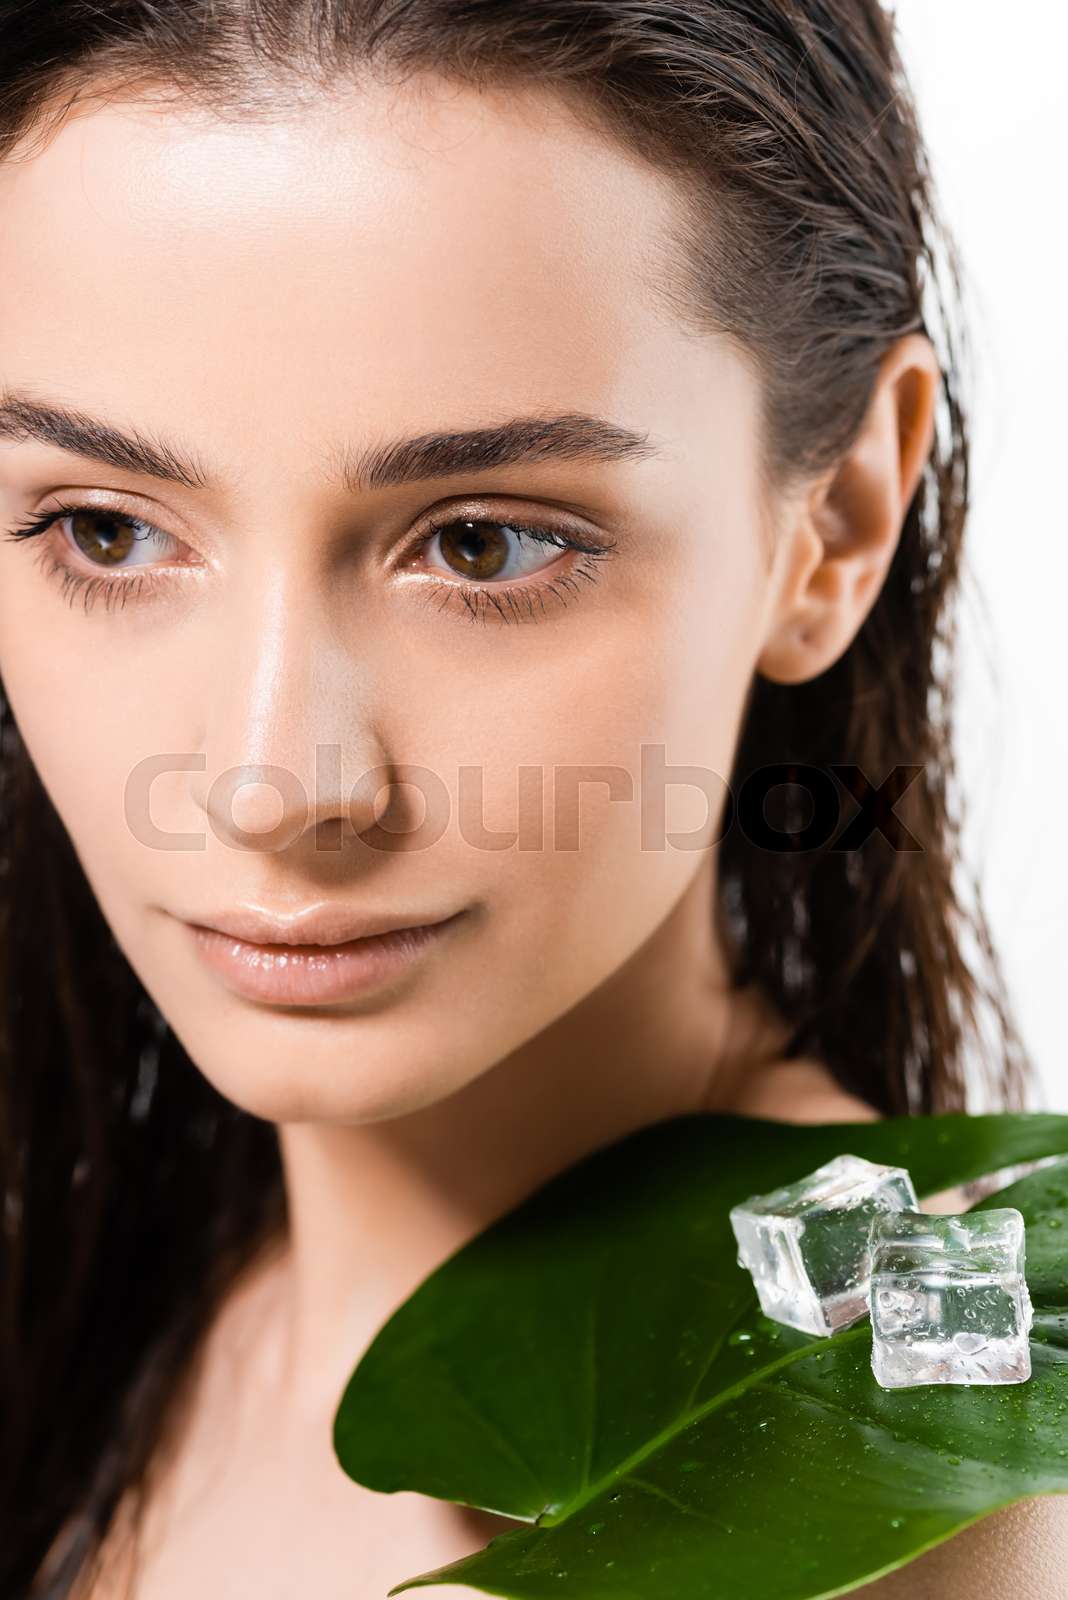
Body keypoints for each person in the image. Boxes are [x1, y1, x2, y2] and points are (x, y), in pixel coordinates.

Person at [0, 1, 1055, 1595]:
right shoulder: (94, 1291)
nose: (275, 782)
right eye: (105, 531)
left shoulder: (933, 1470)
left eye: (484, 544)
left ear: (835, 524)